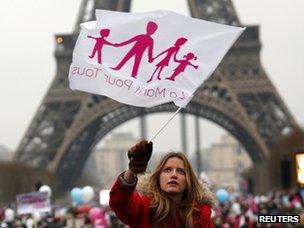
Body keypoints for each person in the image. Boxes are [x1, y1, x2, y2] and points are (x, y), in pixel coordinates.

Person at [109, 140, 214, 227]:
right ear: (158, 178)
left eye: (181, 171)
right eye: (167, 170)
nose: (174, 175)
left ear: (188, 181)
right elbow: (119, 202)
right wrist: (132, 170)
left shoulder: (201, 216)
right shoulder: (143, 208)